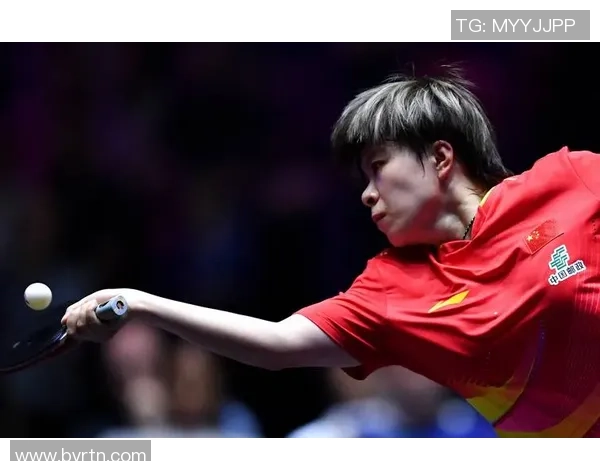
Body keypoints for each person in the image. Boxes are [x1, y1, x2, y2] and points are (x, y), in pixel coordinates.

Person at [62, 67, 600, 437]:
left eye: (378, 167)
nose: (366, 194)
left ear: (439, 158)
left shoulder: (570, 179)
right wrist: (140, 303)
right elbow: (276, 343)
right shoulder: (392, 289)